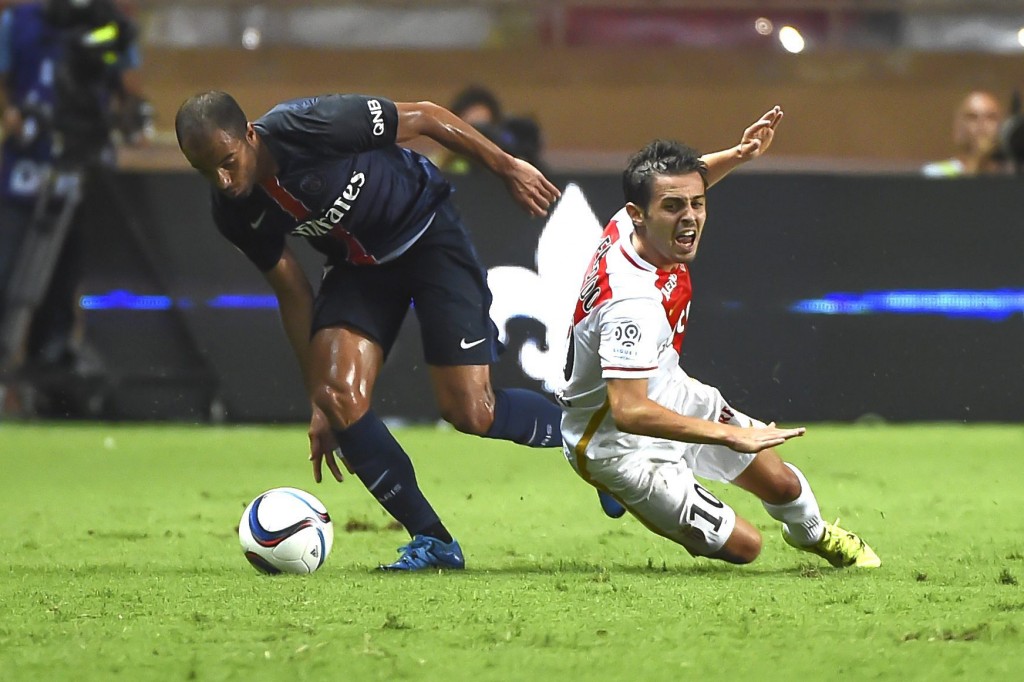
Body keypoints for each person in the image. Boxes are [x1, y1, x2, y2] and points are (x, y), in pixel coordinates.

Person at [175, 90, 570, 571]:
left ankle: (589, 438)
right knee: (338, 395)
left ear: (250, 136)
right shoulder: (232, 212)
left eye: (227, 162)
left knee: (471, 412)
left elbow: (426, 117)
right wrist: (317, 400)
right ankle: (434, 542)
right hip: (360, 268)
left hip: (427, 233)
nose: (222, 180)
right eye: (205, 171)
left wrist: (507, 167)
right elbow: (293, 293)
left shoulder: (313, 124)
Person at [558, 107, 881, 569]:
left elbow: (690, 179)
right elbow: (629, 411)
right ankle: (618, 488)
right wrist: (728, 435)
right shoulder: (632, 303)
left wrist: (740, 154)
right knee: (747, 547)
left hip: (669, 392)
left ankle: (816, 535)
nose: (690, 217)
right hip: (615, 443)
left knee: (784, 484)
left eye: (698, 203)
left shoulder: (630, 222)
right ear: (639, 214)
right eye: (674, 208)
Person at [0, 0, 145, 411]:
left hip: (84, 173)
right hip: (26, 168)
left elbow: (129, 90)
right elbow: (4, 81)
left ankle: (51, 378)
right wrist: (12, 114)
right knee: (7, 271)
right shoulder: (18, 22)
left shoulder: (112, 26)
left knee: (65, 284)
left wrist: (128, 118)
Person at [922, 90, 1010, 177]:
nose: (982, 124)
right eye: (972, 117)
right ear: (958, 128)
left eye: (990, 117)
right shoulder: (936, 174)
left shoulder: (1011, 174)